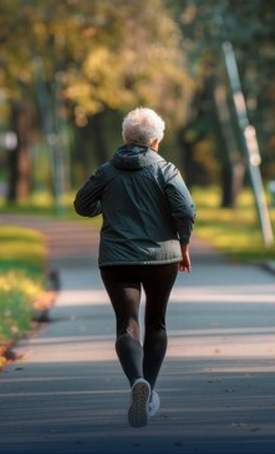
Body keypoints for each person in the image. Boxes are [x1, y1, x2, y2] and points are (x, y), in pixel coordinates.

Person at [74, 107, 196, 428]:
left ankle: (136, 383)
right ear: (155, 141)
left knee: (126, 324)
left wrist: (107, 205)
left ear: (126, 138)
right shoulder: (167, 170)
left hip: (116, 259)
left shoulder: (106, 171)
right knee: (157, 323)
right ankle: (149, 390)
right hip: (162, 258)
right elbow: (185, 209)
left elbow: (81, 204)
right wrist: (183, 246)